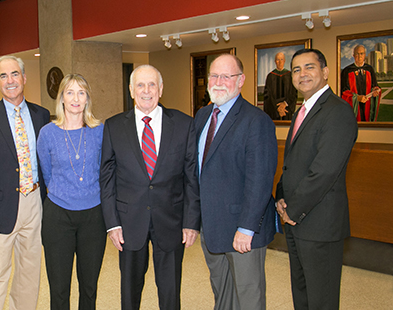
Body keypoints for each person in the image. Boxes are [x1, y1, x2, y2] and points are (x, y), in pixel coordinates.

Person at [100, 64, 200, 310]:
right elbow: (106, 178)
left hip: (172, 220)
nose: (147, 91)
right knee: (130, 292)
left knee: (170, 291)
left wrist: (191, 222)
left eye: (152, 84)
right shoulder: (113, 126)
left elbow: (191, 178)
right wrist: (112, 223)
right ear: (131, 90)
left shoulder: (184, 124)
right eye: (140, 85)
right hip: (129, 222)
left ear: (161, 88)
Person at [276, 49, 358, 309]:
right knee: (302, 294)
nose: (302, 74)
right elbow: (293, 164)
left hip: (319, 224)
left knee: (321, 299)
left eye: (309, 67)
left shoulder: (337, 112)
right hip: (297, 221)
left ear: (325, 72)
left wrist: (293, 210)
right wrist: (280, 195)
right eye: (297, 70)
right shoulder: (303, 111)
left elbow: (324, 172)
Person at [196, 54, 278, 310]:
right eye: (214, 75)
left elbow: (261, 180)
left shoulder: (256, 121)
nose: (218, 82)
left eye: (226, 76)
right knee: (222, 294)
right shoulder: (202, 116)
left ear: (241, 80)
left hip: (241, 231)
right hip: (210, 227)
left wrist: (246, 228)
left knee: (248, 296)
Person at [0, 55, 50, 310]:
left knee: (29, 271)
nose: (10, 80)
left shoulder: (41, 115)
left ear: (24, 78)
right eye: (3, 76)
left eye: (14, 74)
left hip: (35, 201)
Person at [37, 74, 107, 310]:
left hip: (93, 217)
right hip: (58, 216)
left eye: (81, 92)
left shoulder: (100, 131)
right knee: (59, 288)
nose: (75, 98)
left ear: (87, 98)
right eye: (70, 92)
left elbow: (105, 171)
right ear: (62, 98)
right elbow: (47, 173)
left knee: (89, 287)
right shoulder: (47, 133)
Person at [340, 45, 382, 121]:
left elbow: (375, 85)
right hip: (354, 106)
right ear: (353, 55)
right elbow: (344, 91)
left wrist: (375, 90)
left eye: (361, 53)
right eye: (357, 54)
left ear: (365, 55)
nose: (359, 56)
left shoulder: (369, 69)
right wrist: (356, 98)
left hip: (367, 104)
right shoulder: (347, 71)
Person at [263, 52, 297, 120]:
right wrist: (277, 108)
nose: (279, 62)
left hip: (286, 110)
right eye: (278, 60)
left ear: (284, 61)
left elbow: (293, 93)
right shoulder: (270, 76)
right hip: (273, 112)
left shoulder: (290, 76)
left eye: (281, 59)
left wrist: (285, 104)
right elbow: (268, 95)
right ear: (275, 61)